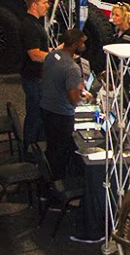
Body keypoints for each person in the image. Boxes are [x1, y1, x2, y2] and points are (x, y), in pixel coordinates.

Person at [40, 28, 91, 179]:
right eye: (82, 43)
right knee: (60, 153)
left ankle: (47, 178)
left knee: (52, 147)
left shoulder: (52, 55)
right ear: (75, 44)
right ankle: (58, 182)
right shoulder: (72, 68)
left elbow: (47, 76)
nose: (84, 45)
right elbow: (73, 100)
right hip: (61, 116)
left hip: (45, 108)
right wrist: (85, 98)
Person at [19, 0, 51, 152]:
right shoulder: (30, 26)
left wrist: (57, 51)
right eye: (44, 3)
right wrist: (56, 57)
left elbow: (41, 49)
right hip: (33, 78)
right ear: (34, 5)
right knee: (35, 115)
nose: (48, 6)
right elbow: (35, 55)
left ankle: (37, 147)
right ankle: (31, 150)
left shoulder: (34, 23)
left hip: (36, 78)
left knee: (38, 114)